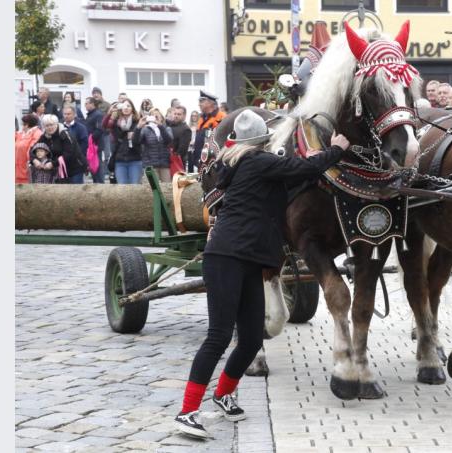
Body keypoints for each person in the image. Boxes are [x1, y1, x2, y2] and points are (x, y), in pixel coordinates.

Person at [173, 110, 347, 439]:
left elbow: (299, 177)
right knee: (218, 337)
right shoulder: (255, 162)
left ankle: (223, 395)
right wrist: (335, 148)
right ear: (261, 140)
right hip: (227, 258)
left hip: (250, 259)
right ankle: (187, 411)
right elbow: (304, 168)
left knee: (252, 339)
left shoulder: (244, 162)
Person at [34, 114, 85, 184]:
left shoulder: (65, 135)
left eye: (51, 125)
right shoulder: (44, 137)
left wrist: (53, 164)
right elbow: (34, 149)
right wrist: (34, 160)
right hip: (58, 170)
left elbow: (68, 154)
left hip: (74, 168)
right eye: (47, 125)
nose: (49, 127)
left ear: (56, 124)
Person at [104, 98, 143, 184]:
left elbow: (140, 140)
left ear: (132, 108)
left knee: (134, 187)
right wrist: (109, 113)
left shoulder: (137, 122)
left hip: (135, 160)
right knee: (122, 188)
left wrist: (136, 131)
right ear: (120, 108)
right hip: (120, 160)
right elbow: (104, 126)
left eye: (128, 106)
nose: (126, 108)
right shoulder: (116, 122)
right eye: (124, 106)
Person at [190, 91, 226, 173]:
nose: (199, 104)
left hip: (215, 161)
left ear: (210, 103)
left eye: (202, 101)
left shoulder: (221, 117)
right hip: (201, 160)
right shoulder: (202, 118)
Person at [136, 108, 174, 183]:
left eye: (157, 115)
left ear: (162, 117)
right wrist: (138, 127)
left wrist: (160, 126)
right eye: (152, 115)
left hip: (164, 164)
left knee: (167, 188)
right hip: (150, 165)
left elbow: (169, 141)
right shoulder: (145, 129)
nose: (155, 117)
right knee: (151, 189)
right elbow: (137, 141)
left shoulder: (167, 128)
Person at [63, 105, 89, 184]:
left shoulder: (81, 128)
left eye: (69, 114)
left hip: (77, 164)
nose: (66, 116)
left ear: (74, 115)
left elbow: (84, 144)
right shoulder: (60, 127)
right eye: (65, 114)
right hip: (63, 164)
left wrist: (76, 155)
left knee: (76, 188)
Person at [15, 114, 43, 184]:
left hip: (28, 171)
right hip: (18, 171)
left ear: (27, 124)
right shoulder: (21, 134)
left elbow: (31, 151)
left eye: (23, 124)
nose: (22, 126)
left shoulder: (37, 133)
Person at [84, 97, 106, 183]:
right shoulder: (90, 114)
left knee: (97, 168)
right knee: (93, 169)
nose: (85, 105)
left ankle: (101, 188)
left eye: (86, 103)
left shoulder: (98, 114)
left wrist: (90, 138)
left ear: (92, 104)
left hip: (96, 146)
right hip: (91, 147)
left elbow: (99, 129)